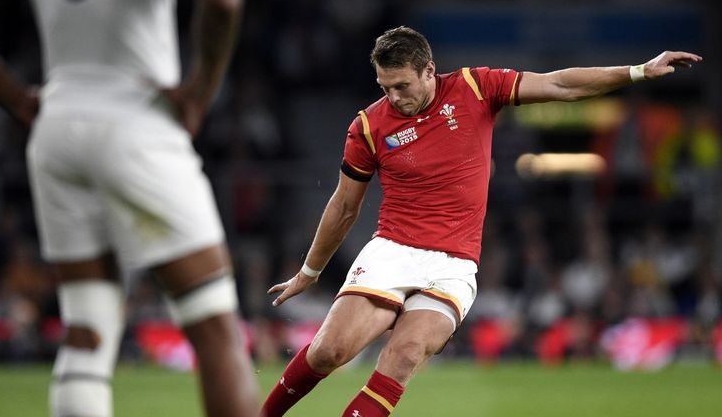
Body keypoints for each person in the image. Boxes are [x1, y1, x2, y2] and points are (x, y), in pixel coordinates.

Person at [262, 26, 701, 417]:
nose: (395, 96)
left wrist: (638, 71)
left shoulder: (475, 87)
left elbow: (559, 84)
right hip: (394, 251)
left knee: (405, 354)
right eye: (385, 86)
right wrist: (309, 271)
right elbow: (344, 206)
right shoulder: (369, 126)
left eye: (402, 85)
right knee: (330, 351)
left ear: (429, 70)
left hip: (454, 266)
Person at [0, 0, 259, 416]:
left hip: (57, 127)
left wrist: (11, 94)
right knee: (215, 327)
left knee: (86, 328)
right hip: (138, 119)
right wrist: (199, 93)